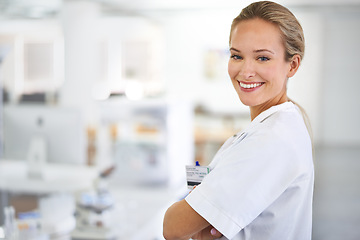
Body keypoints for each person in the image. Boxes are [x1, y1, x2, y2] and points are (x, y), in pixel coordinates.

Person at [163, 1, 314, 240]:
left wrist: (196, 214)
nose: (245, 71)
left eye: (262, 58)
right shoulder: (272, 126)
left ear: (292, 65)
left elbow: (173, 226)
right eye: (236, 56)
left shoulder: (272, 139)